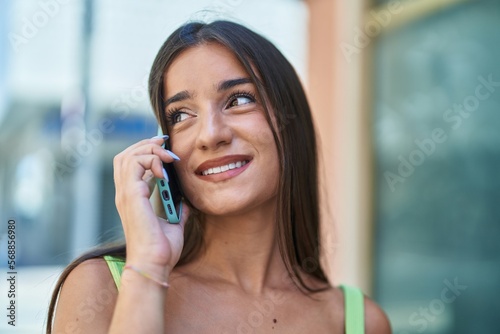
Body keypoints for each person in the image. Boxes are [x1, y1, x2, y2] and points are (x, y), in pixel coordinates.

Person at [47, 20, 391, 333]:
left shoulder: (358, 321)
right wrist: (148, 274)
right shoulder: (101, 287)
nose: (210, 135)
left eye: (239, 99)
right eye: (180, 114)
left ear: (290, 123)